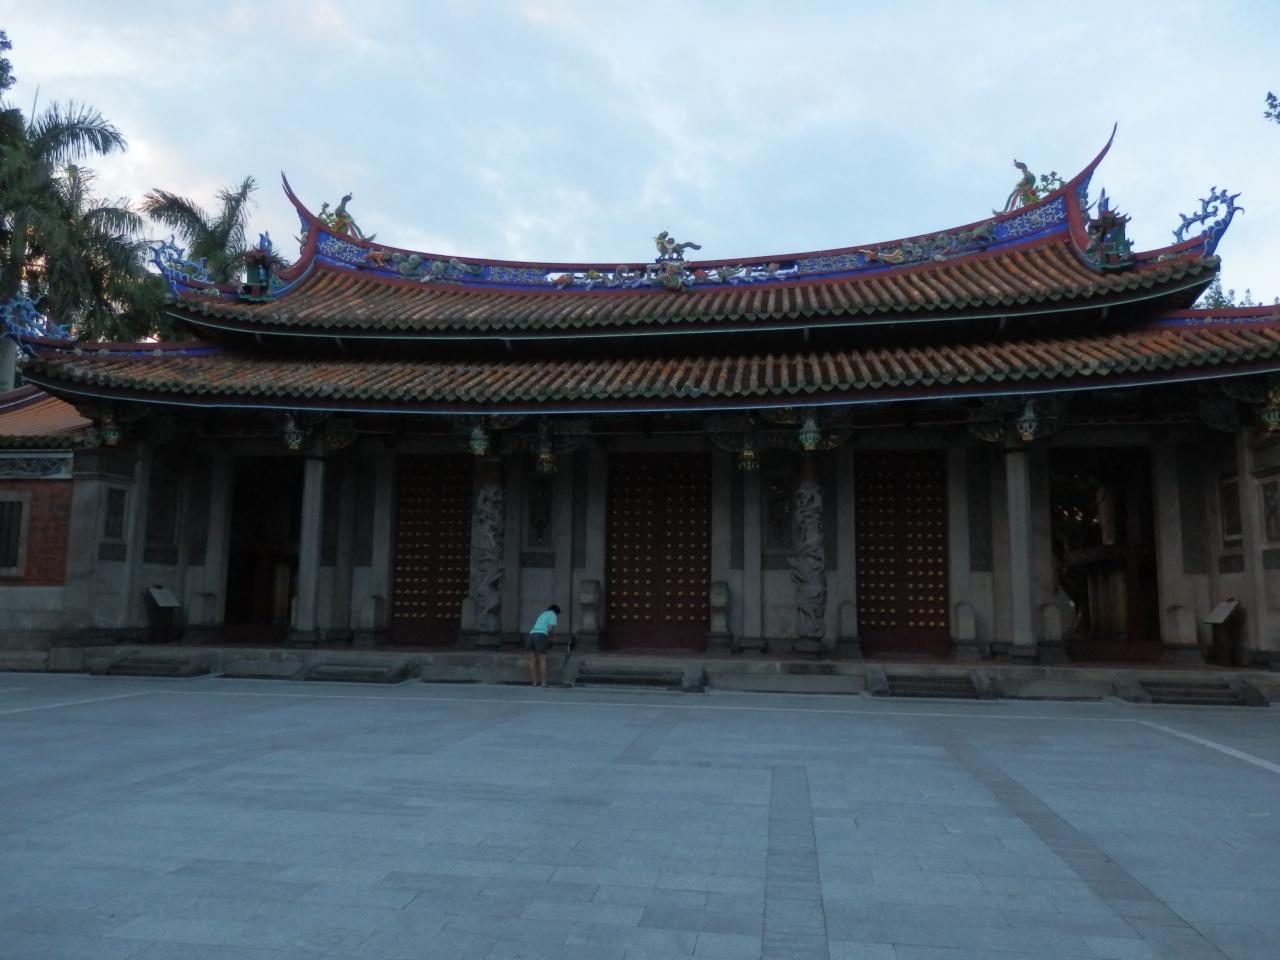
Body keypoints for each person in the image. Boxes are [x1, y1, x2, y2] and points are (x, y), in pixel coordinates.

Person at [526, 604, 560, 688]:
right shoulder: (552, 614)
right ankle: (543, 683)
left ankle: (534, 682)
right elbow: (550, 627)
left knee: (532, 660)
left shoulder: (543, 614)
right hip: (541, 635)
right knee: (542, 660)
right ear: (556, 611)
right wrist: (552, 637)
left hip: (532, 634)